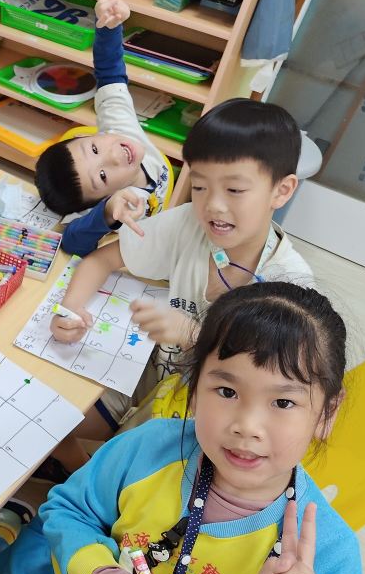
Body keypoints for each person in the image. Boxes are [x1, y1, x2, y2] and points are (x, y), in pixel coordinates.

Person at [0, 282, 361, 574]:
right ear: (195, 386)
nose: (247, 426)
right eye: (227, 392)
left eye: (283, 402)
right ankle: (3, 529)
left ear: (326, 413)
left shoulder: (327, 554)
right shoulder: (150, 447)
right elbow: (67, 508)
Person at [48, 98, 312, 473]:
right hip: (147, 379)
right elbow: (101, 259)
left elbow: (270, 386)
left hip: (209, 424)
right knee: (48, 428)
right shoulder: (191, 224)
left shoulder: (291, 285)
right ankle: (82, 471)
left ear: (281, 191)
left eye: (235, 190)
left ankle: (85, 473)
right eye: (200, 187)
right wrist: (71, 309)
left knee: (119, 480)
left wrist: (193, 334)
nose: (212, 206)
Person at [35, 0, 172, 257]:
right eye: (102, 176)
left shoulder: (117, 127)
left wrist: (109, 26)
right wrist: (107, 213)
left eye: (94, 149)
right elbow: (72, 242)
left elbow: (109, 73)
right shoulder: (120, 205)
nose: (113, 156)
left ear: (86, 136)